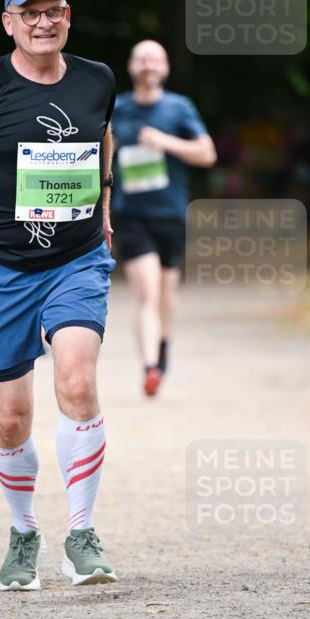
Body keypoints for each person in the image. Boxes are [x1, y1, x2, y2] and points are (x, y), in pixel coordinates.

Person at [0, 0, 118, 590]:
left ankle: (82, 534)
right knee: (9, 416)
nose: (43, 23)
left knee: (76, 379)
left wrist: (106, 210)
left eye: (54, 11)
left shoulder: (97, 79)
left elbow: (104, 140)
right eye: (30, 14)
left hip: (75, 258)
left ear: (68, 15)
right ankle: (23, 533)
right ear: (9, 23)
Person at [112, 40, 216, 396]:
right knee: (147, 292)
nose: (149, 64)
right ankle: (150, 366)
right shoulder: (118, 108)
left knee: (166, 294)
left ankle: (163, 344)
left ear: (166, 67)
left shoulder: (179, 108)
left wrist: (165, 142)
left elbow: (207, 153)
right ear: (131, 65)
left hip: (170, 213)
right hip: (131, 215)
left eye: (156, 58)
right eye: (142, 58)